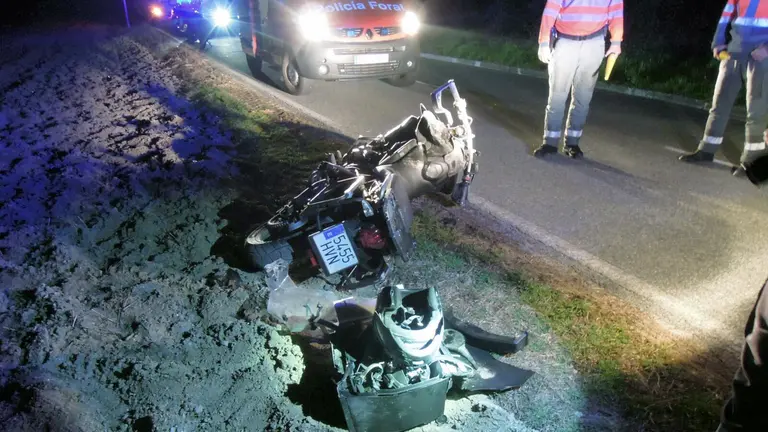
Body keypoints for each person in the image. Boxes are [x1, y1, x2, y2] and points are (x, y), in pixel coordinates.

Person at [679, 0, 768, 176]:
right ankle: (706, 150)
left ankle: (751, 163)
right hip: (733, 52)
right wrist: (718, 43)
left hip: (761, 58)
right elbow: (726, 15)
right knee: (719, 106)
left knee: (756, 112)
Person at [533, 0, 624, 159]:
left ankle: (572, 143)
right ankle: (550, 143)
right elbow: (551, 10)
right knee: (557, 95)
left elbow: (616, 12)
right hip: (564, 42)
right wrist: (544, 41)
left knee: (583, 97)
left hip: (594, 43)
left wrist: (616, 42)